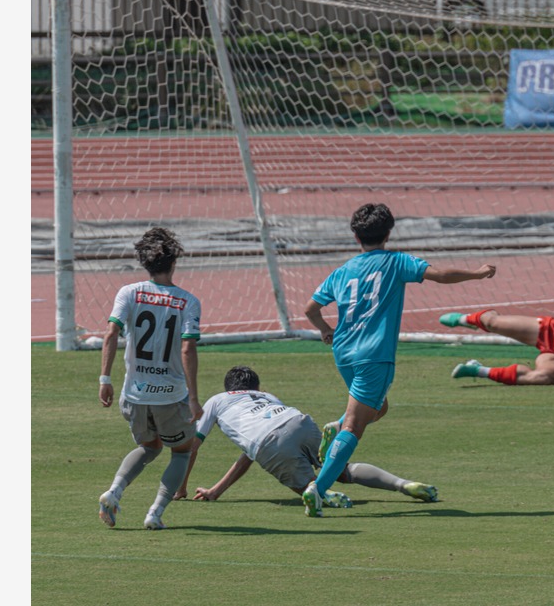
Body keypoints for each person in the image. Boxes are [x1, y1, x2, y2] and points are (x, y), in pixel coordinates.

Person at [302, 202, 496, 518]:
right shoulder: (396, 262)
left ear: (355, 237)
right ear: (389, 233)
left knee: (378, 408)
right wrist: (477, 273)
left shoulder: (342, 271)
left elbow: (310, 309)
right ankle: (318, 489)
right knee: (356, 424)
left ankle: (334, 428)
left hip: (344, 352)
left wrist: (326, 331)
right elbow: (441, 275)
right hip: (374, 354)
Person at [175, 365, 438, 507]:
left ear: (229, 388)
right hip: (296, 421)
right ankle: (403, 484)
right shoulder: (267, 396)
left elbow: (192, 446)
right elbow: (248, 454)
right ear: (255, 387)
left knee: (310, 488)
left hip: (268, 442)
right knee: (341, 469)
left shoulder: (217, 400)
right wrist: (217, 490)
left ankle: (325, 495)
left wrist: (181, 487)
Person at [96, 227, 203, 531]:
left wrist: (105, 378)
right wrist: (193, 398)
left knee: (150, 446)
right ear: (174, 262)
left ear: (144, 262)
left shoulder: (128, 292)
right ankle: (155, 513)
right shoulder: (187, 301)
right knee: (183, 449)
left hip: (135, 393)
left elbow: (111, 332)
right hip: (171, 395)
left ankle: (114, 492)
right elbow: (187, 347)